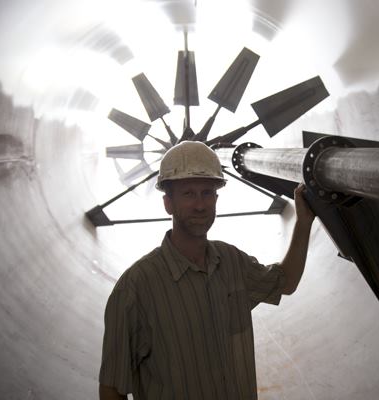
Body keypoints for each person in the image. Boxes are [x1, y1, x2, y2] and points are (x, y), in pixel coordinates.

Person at [98, 141, 315, 400]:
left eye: (207, 193)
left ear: (216, 199)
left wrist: (303, 222)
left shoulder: (232, 261)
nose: (200, 205)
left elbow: (286, 282)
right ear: (168, 203)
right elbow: (112, 389)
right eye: (188, 193)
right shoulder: (135, 288)